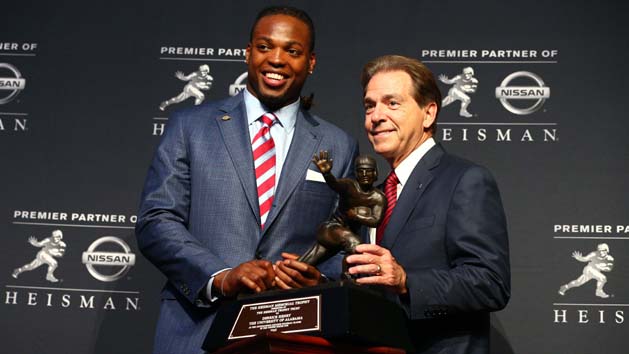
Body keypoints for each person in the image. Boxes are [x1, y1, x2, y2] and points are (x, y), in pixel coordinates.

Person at [135, 6, 358, 354]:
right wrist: (221, 276)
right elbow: (156, 221)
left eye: (293, 51)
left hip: (291, 336)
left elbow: (341, 235)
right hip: (197, 331)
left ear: (311, 62)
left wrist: (321, 280)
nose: (277, 59)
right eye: (265, 46)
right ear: (248, 53)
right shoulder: (190, 127)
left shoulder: (338, 145)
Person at [346, 55, 510, 354]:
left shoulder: (465, 180)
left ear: (428, 113)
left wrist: (407, 280)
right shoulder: (375, 196)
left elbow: (490, 283)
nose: (376, 116)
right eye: (370, 105)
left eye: (392, 103)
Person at [298, 151, 385, 277]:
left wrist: (356, 215)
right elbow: (335, 184)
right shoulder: (349, 186)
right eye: (361, 171)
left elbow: (376, 220)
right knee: (355, 243)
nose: (365, 174)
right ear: (356, 174)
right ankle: (347, 275)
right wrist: (327, 174)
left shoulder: (378, 198)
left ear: (375, 173)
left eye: (368, 171)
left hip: (344, 238)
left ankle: (278, 284)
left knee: (304, 264)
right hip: (331, 229)